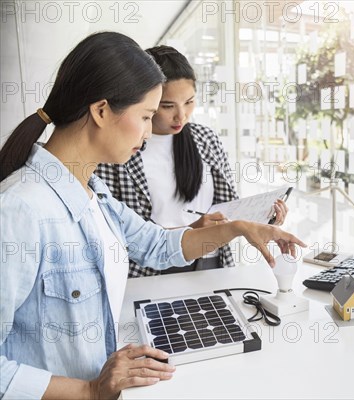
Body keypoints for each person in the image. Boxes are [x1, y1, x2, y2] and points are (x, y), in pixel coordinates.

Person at [0, 31, 305, 399]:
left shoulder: (92, 189)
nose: (148, 134)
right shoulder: (20, 210)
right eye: (146, 116)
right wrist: (90, 390)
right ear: (100, 111)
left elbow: (157, 245)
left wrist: (240, 228)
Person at [95, 45, 288, 277]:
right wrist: (190, 230)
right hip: (150, 270)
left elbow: (230, 208)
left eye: (189, 102)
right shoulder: (119, 148)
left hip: (210, 261)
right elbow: (119, 234)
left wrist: (265, 216)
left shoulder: (204, 138)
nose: (181, 116)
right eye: (167, 106)